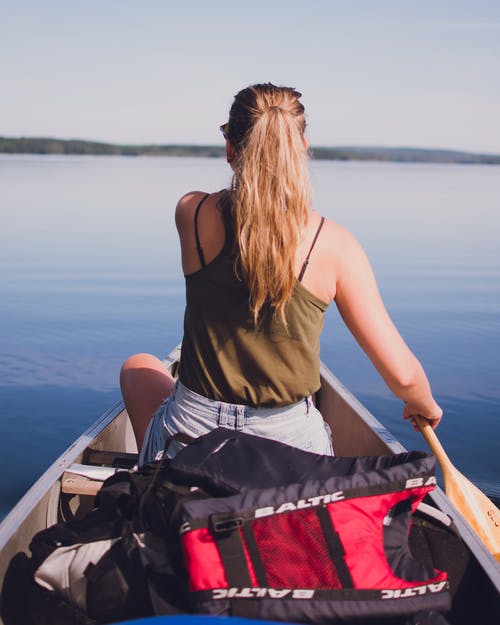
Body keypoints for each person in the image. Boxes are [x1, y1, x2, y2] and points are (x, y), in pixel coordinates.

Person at [120, 83, 443, 464]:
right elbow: (404, 378)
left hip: (194, 436)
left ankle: (159, 470)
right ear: (301, 149)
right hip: (289, 445)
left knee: (137, 366)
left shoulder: (191, 212)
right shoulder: (336, 245)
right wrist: (424, 403)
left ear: (230, 149)